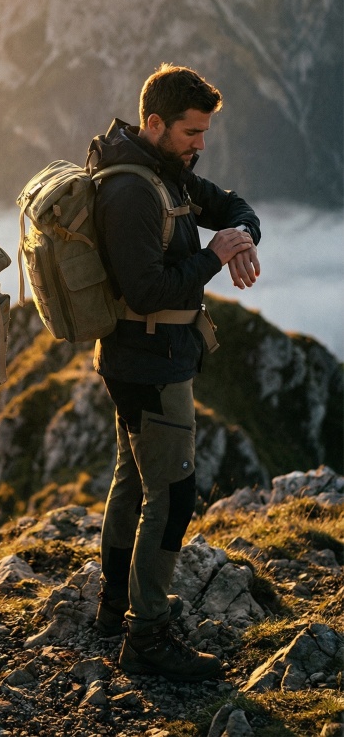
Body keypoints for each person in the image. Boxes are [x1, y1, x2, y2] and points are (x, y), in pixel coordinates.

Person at [86, 64, 261, 682]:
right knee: (173, 492)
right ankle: (149, 636)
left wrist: (241, 235)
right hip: (149, 362)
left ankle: (113, 609)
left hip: (148, 357)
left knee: (133, 479)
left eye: (205, 132)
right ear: (154, 123)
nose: (201, 145)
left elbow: (233, 205)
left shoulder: (167, 171)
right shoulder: (133, 190)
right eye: (191, 132)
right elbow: (145, 288)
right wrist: (216, 255)